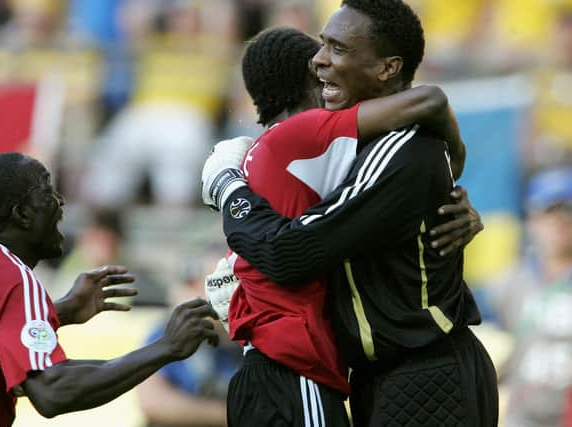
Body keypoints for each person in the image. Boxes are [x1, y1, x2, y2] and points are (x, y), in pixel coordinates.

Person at [202, 1, 497, 426]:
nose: (319, 61)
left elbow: (290, 252)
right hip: (380, 375)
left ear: (386, 68)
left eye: (338, 49)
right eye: (322, 45)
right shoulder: (344, 148)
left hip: (428, 372)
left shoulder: (404, 149)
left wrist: (231, 193)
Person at [0, 152, 220, 426]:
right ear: (22, 214)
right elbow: (51, 391)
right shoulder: (8, 273)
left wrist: (59, 312)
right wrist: (165, 347)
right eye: (46, 190)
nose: (60, 201)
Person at [485, 167, 572, 427]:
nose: (558, 221)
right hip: (522, 417)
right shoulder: (508, 284)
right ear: (532, 220)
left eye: (566, 211)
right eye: (549, 212)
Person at [137, 253, 242, 427]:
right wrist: (228, 415)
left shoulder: (248, 336)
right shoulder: (170, 332)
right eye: (218, 283)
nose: (229, 293)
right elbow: (152, 402)